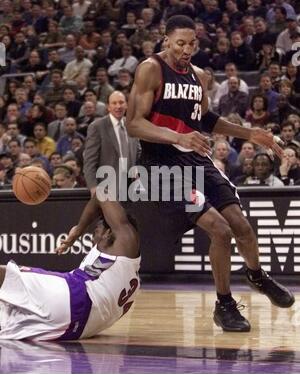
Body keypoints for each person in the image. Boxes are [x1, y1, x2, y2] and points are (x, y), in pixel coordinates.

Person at [126, 15, 294, 332]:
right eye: (180, 43)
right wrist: (178, 136)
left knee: (242, 226)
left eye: (192, 43)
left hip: (195, 160)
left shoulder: (199, 76)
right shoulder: (151, 69)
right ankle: (225, 305)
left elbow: (205, 120)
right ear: (166, 41)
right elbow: (134, 123)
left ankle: (257, 276)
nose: (187, 49)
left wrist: (249, 134)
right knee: (220, 230)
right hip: (161, 166)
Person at [0, 196, 140, 340]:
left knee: (7, 275)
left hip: (75, 296)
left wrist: (78, 230)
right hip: (75, 328)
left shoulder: (125, 240)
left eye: (97, 228)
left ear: (108, 232)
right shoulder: (128, 278)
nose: (93, 232)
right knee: (6, 317)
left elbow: (102, 193)